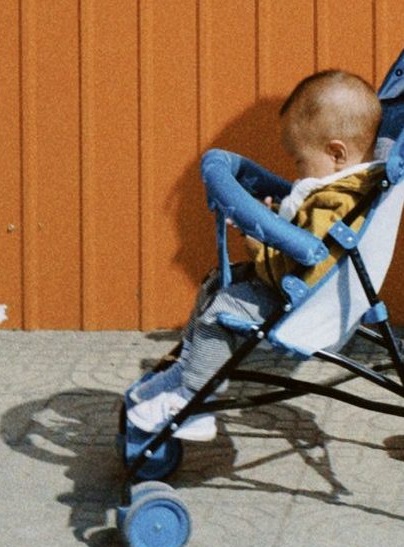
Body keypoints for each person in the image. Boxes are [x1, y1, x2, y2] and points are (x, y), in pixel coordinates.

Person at [127, 69, 387, 442]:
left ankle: (194, 401)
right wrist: (281, 211)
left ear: (336, 153)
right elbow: (312, 232)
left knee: (220, 315)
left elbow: (308, 257)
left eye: (299, 161)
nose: (297, 172)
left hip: (300, 300)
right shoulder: (342, 187)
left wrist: (258, 242)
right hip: (292, 285)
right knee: (215, 282)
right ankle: (190, 364)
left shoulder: (339, 200)